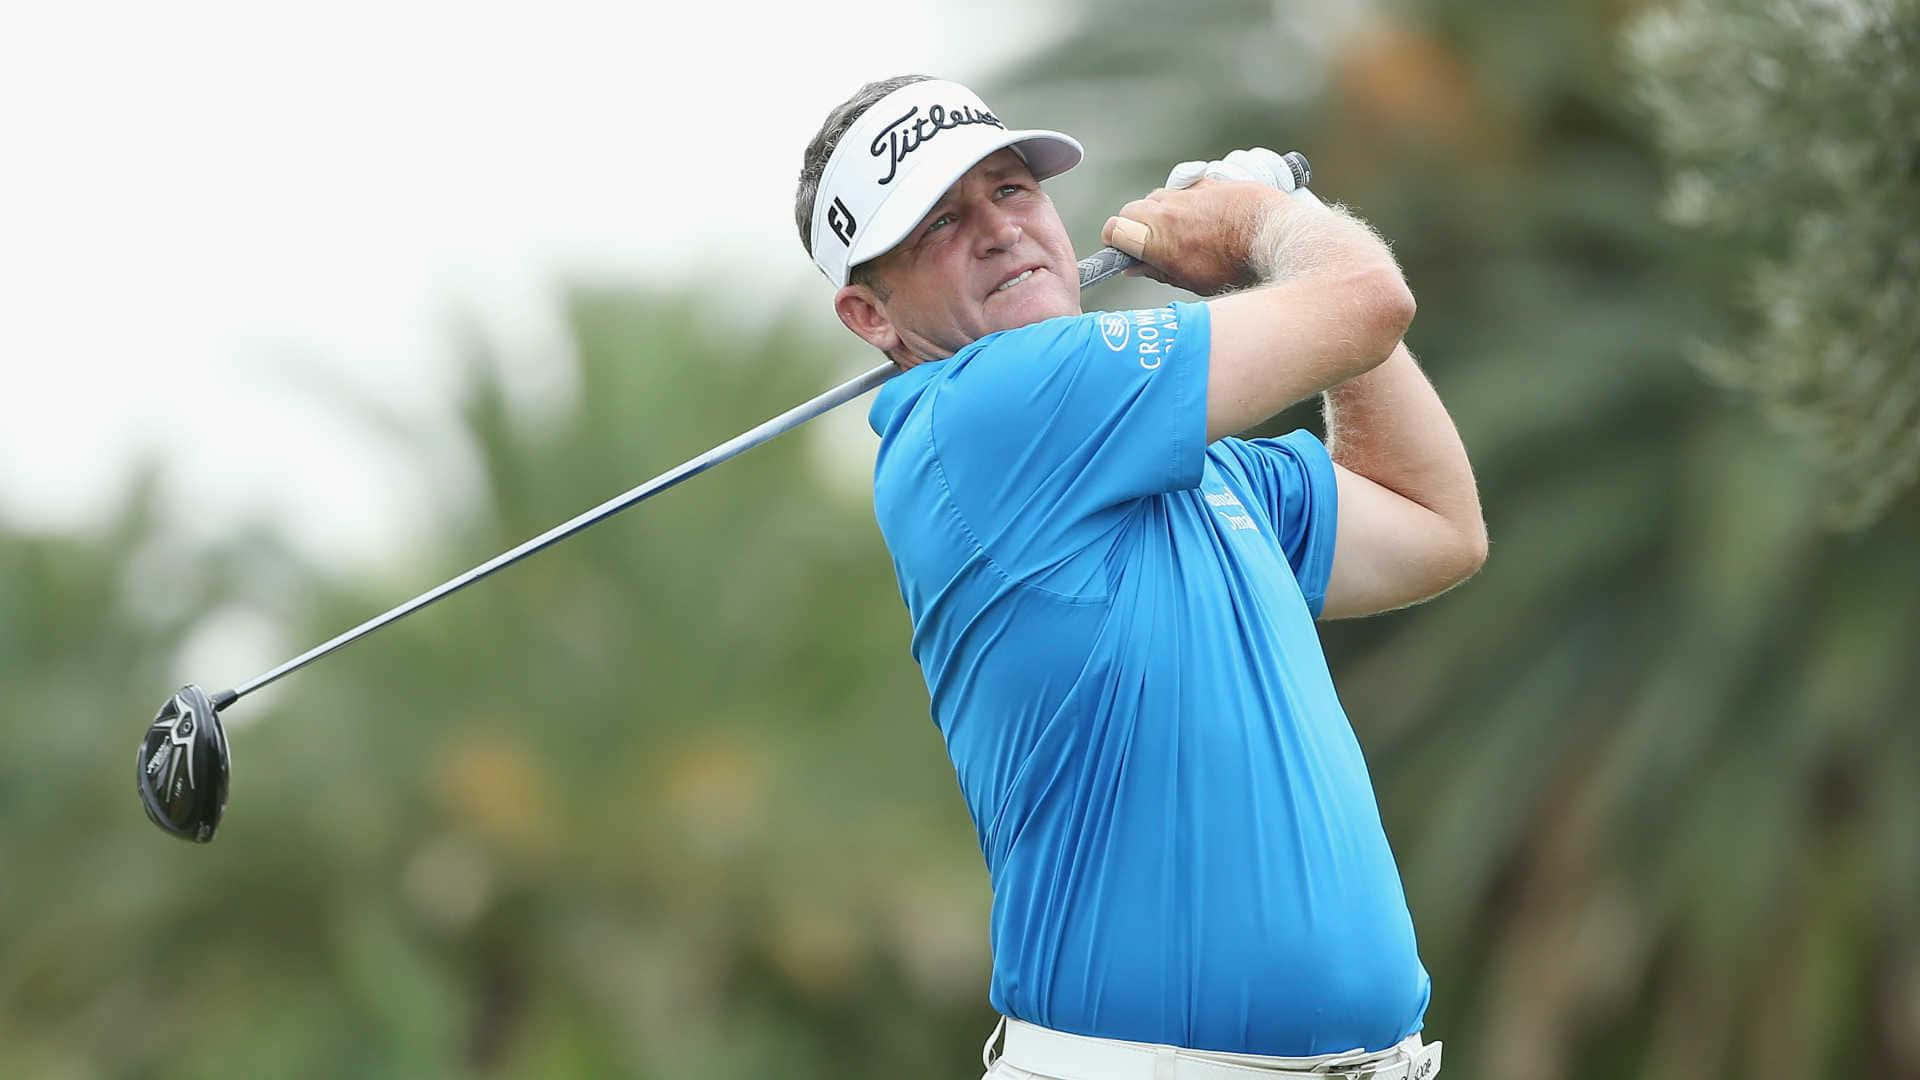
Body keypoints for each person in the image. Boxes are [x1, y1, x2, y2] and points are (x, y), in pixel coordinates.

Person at [794, 75, 1483, 1080]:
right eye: (941, 221)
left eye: (1012, 190)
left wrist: (1280, 263)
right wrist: (1267, 223)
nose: (999, 231)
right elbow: (1368, 299)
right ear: (871, 314)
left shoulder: (1201, 473)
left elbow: (1437, 526)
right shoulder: (980, 413)